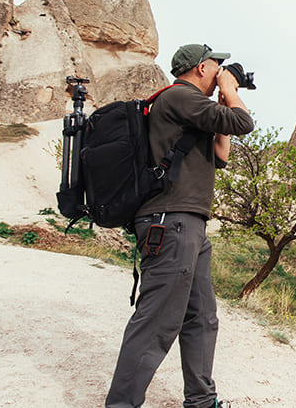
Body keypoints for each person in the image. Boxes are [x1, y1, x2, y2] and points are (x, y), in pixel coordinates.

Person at [106, 44, 254, 408]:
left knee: (201, 318)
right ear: (202, 67)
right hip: (171, 224)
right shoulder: (180, 97)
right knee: (157, 321)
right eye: (216, 66)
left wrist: (221, 101)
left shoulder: (193, 108)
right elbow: (244, 123)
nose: (220, 71)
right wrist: (231, 92)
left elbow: (222, 154)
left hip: (188, 226)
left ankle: (202, 401)